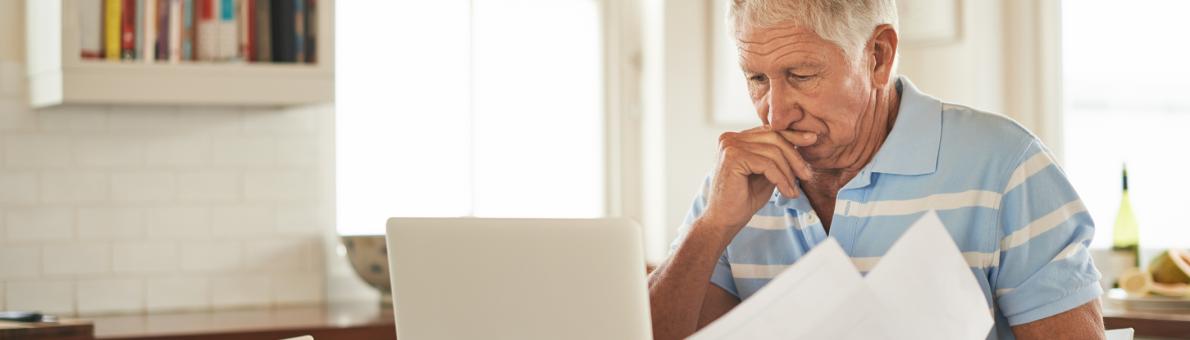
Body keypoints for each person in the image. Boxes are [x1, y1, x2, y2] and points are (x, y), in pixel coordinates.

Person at [646, 1, 1105, 339]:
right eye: (757, 79)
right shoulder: (736, 183)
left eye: (801, 75)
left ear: (879, 56)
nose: (775, 114)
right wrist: (711, 228)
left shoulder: (1007, 166)